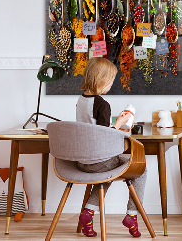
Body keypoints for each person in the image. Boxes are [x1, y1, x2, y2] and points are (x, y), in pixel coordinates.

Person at [76, 57, 146, 238]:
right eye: (111, 81)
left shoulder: (81, 100)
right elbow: (104, 136)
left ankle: (88, 213)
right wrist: (121, 123)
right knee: (141, 169)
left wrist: (115, 124)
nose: (111, 85)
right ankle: (132, 215)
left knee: (106, 172)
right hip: (99, 161)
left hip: (82, 161)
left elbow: (93, 129)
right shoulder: (102, 104)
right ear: (102, 80)